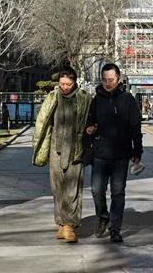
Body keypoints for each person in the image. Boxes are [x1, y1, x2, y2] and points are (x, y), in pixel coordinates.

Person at [32, 66, 92, 243]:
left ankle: (70, 225)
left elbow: (92, 119)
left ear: (75, 82)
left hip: (76, 148)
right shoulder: (52, 97)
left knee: (73, 188)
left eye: (68, 84)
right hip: (55, 149)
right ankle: (61, 222)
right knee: (58, 187)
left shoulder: (84, 98)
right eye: (62, 84)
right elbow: (42, 121)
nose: (65, 87)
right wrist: (39, 144)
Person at [85, 63, 143, 243]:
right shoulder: (97, 99)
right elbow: (89, 121)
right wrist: (90, 128)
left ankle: (115, 228)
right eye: (104, 80)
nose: (107, 83)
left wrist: (137, 151)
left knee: (118, 192)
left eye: (111, 80)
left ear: (118, 79)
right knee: (96, 190)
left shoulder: (128, 100)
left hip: (121, 155)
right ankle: (103, 216)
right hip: (100, 154)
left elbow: (135, 127)